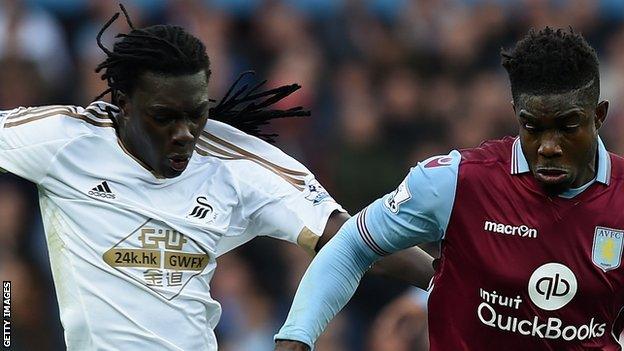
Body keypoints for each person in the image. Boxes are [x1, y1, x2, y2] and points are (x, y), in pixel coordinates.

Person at [0, 5, 435, 350]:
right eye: (164, 117)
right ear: (124, 104)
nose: (184, 134)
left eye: (197, 114)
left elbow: (354, 237)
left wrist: (447, 279)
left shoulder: (239, 163)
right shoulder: (64, 140)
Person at [275, 27, 624, 350]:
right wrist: (297, 336)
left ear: (599, 115)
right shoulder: (458, 182)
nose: (548, 146)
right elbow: (352, 244)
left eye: (567, 126)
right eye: (532, 127)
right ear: (516, 114)